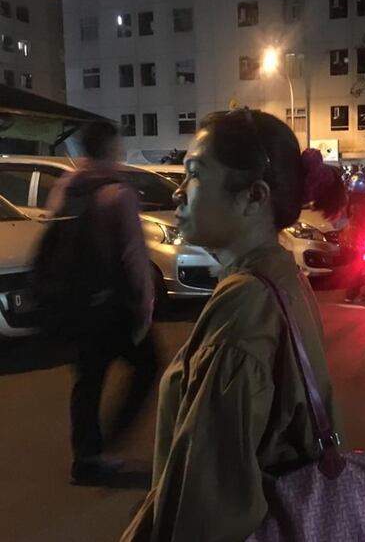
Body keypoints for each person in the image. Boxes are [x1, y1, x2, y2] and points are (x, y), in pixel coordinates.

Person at [121, 110, 347, 541]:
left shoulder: (245, 304)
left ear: (253, 196)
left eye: (195, 174)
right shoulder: (280, 276)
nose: (179, 195)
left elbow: (209, 504)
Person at [45, 121, 158, 485]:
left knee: (87, 381)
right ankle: (108, 443)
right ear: (109, 149)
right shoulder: (118, 194)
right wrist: (145, 304)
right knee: (149, 364)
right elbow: (134, 255)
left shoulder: (65, 187)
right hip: (112, 309)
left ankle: (87, 458)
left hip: (75, 305)